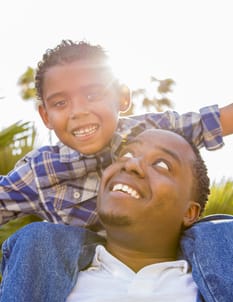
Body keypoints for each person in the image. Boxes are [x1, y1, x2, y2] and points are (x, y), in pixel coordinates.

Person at [0, 129, 233, 302]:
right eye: (126, 154)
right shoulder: (36, 276)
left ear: (189, 212)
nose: (131, 164)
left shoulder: (217, 287)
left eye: (162, 164)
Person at [0, 39, 233, 232]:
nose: (78, 111)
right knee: (35, 238)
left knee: (214, 232)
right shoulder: (39, 171)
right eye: (60, 103)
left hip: (158, 254)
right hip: (86, 271)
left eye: (92, 95)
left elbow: (215, 121)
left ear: (122, 97)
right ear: (46, 116)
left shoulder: (154, 131)